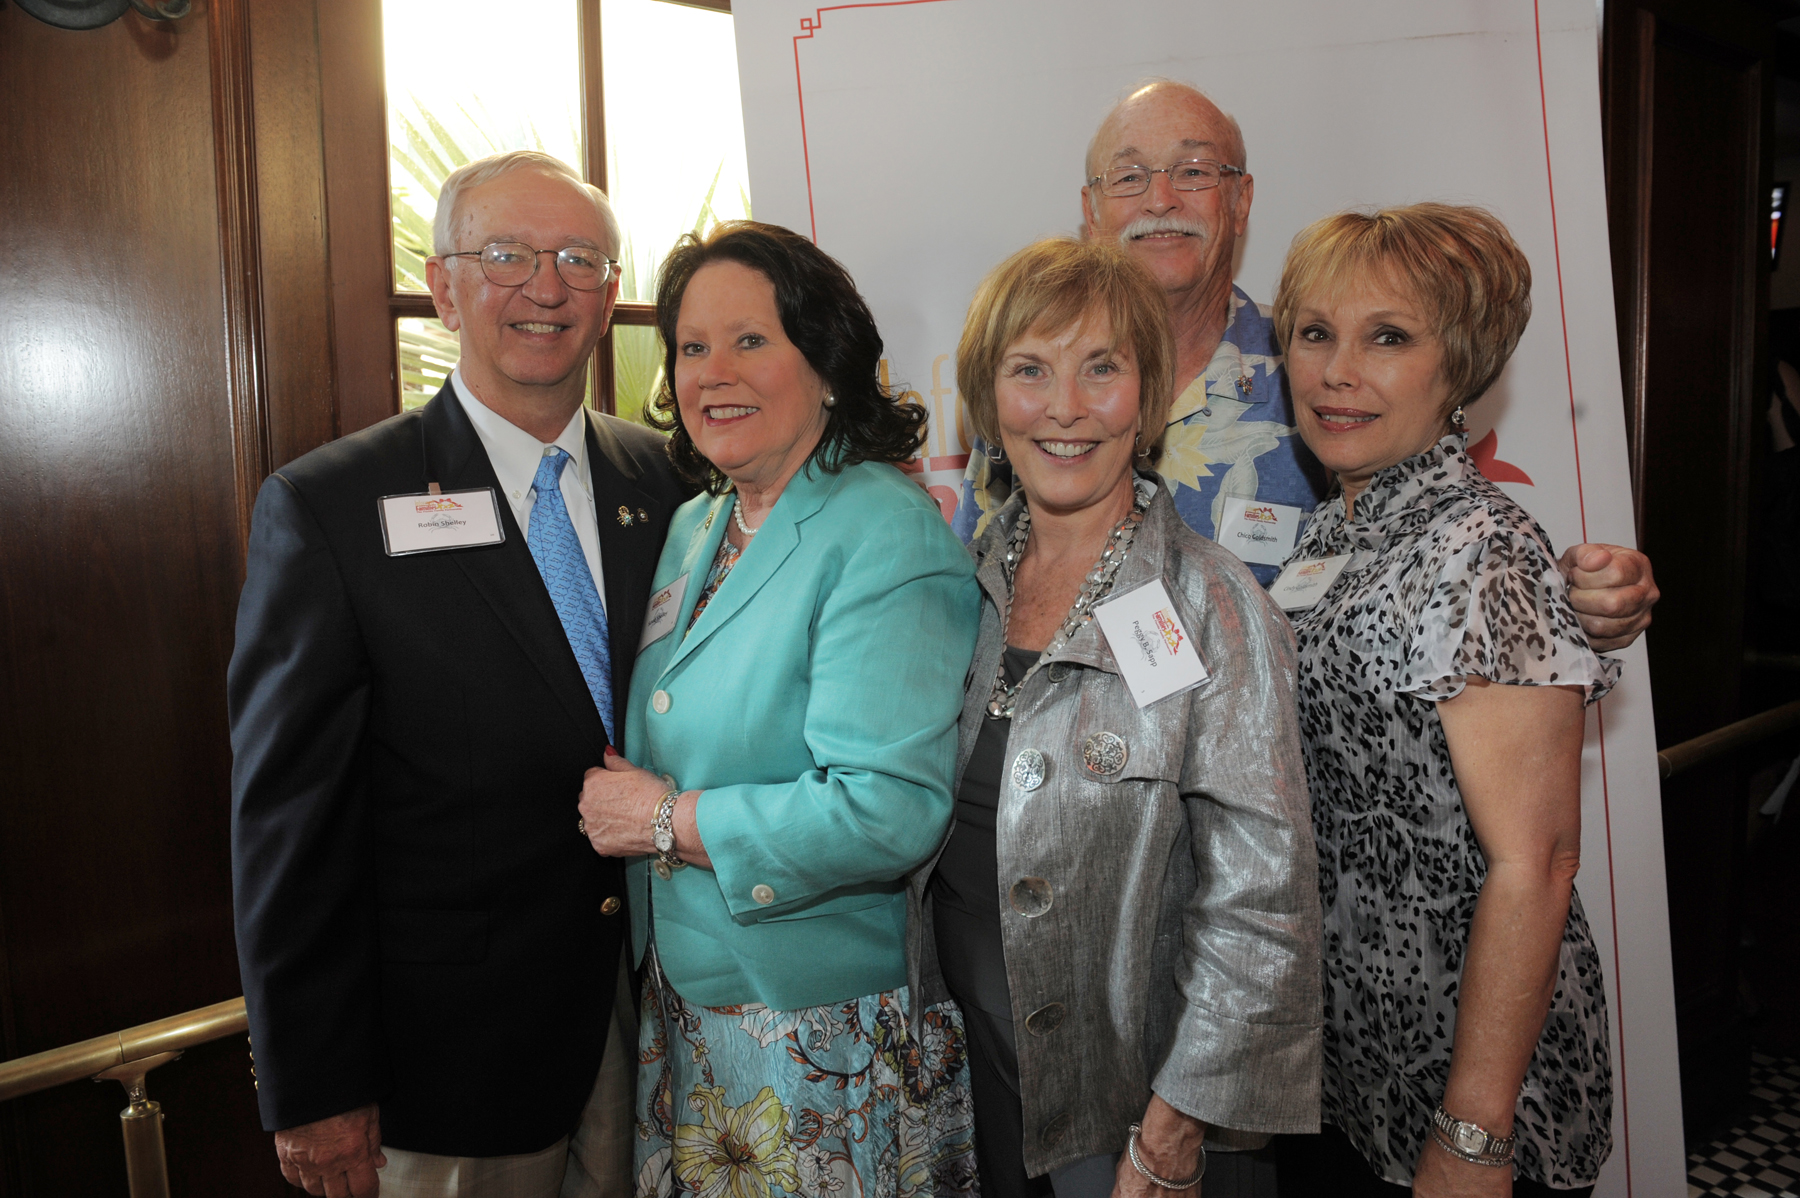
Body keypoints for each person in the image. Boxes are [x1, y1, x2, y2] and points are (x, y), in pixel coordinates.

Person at [230, 150, 689, 1198]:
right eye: (507, 255)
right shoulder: (332, 507)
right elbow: (288, 824)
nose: (547, 285)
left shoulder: (669, 484)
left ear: (612, 294)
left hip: (658, 1036)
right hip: (446, 1066)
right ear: (443, 286)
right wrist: (311, 1082)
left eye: (580, 258)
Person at [954, 80, 1659, 652]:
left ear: (1241, 200)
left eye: (1194, 171)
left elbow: (1440, 541)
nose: (1160, 199)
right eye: (1129, 176)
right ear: (1092, 209)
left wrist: (1576, 597)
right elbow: (968, 592)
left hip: (1279, 791)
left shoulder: (1318, 377)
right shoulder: (1031, 399)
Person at [572, 221, 983, 1198]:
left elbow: (887, 808)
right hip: (688, 1012)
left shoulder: (884, 533)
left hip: (815, 1028)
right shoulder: (696, 523)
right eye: (693, 346)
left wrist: (664, 821)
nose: (716, 371)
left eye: (751, 339)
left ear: (829, 361)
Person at [910, 236, 1321, 1198]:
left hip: (1136, 1118)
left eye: (1102, 368)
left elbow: (1261, 908)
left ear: (1148, 396)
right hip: (977, 1085)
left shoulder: (1214, 608)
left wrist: (1172, 1132)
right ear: (986, 395)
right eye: (1029, 370)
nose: (1064, 407)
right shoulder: (954, 586)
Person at [1269, 204, 1617, 1196]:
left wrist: (1473, 1135)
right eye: (1315, 333)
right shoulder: (1331, 536)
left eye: (1389, 337)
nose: (1338, 371)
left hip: (1467, 1084)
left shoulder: (1480, 553)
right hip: (1356, 1061)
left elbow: (1535, 863)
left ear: (1458, 365)